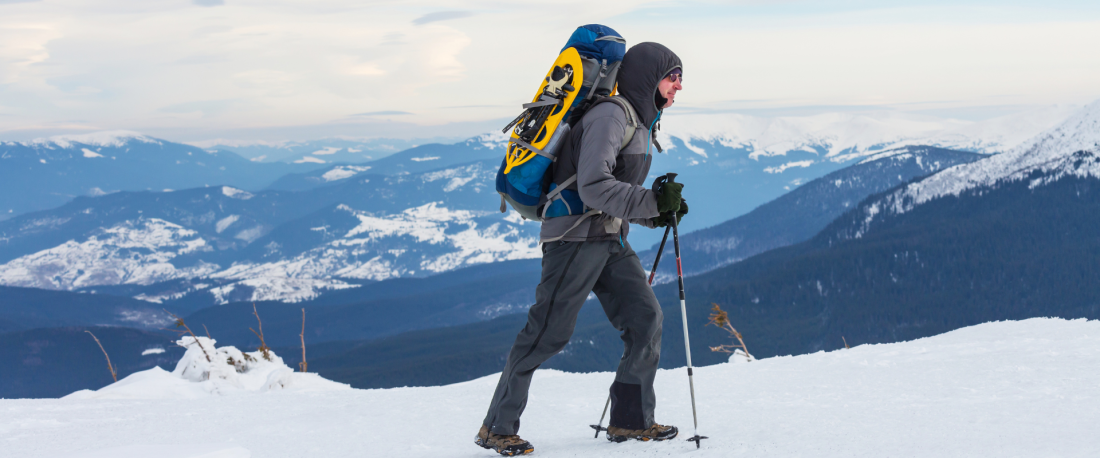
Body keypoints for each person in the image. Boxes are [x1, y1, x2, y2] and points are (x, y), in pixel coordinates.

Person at [475, 42, 687, 456]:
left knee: (646, 319)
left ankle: (630, 422)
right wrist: (649, 202)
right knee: (546, 334)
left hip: (608, 237)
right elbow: (592, 185)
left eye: (681, 79)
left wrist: (658, 212)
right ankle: (496, 427)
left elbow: (615, 191)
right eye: (672, 77)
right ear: (649, 76)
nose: (679, 86)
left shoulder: (642, 121)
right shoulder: (612, 115)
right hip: (572, 237)